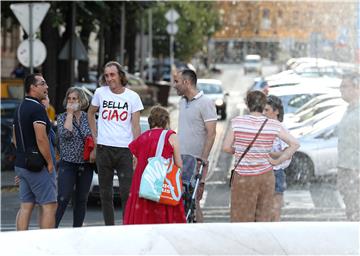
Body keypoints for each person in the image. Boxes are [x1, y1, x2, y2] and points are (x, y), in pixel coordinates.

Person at [223, 90, 299, 222]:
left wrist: (239, 151)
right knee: (263, 218)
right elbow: (294, 144)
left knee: (241, 218)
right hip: (266, 176)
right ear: (263, 105)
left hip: (243, 177)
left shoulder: (237, 122)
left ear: (248, 104)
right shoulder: (273, 124)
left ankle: (244, 242)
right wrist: (277, 161)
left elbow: (226, 147)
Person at [88, 61, 144, 225]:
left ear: (120, 75)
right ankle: (109, 228)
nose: (109, 78)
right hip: (104, 148)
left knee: (127, 192)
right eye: (106, 75)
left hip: (125, 150)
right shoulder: (100, 93)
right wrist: (95, 137)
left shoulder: (132, 97)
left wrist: (136, 152)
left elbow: (135, 125)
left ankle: (127, 226)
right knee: (105, 194)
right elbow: (90, 114)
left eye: (112, 75)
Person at [123, 106, 186, 224]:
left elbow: (136, 164)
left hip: (144, 185)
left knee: (143, 219)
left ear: (150, 121)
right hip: (161, 184)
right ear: (166, 121)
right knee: (162, 219)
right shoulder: (171, 136)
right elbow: (179, 164)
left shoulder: (142, 138)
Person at [12, 73, 57, 230]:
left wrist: (23, 157)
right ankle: (45, 247)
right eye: (43, 84)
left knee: (26, 205)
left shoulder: (19, 107)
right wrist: (50, 162)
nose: (47, 87)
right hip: (38, 166)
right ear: (33, 87)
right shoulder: (37, 109)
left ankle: (21, 246)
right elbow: (41, 138)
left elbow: (14, 139)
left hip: (22, 164)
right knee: (49, 205)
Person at [174, 69, 217, 222]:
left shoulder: (206, 102)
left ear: (187, 82)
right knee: (178, 199)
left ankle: (199, 234)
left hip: (196, 161)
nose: (174, 85)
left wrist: (203, 159)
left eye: (177, 81)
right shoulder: (182, 102)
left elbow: (211, 133)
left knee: (195, 201)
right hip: (180, 160)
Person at [55, 87, 94, 228]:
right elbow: (66, 134)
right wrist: (70, 114)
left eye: (74, 99)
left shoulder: (88, 117)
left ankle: (77, 230)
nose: (71, 101)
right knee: (63, 197)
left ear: (81, 100)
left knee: (81, 199)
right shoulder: (62, 117)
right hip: (68, 164)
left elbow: (95, 136)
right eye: (69, 98)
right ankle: (52, 229)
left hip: (86, 164)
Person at [263, 95, 291, 221]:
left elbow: (287, 151)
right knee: (265, 209)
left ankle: (275, 234)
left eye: (267, 110)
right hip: (264, 171)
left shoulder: (281, 128)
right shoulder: (264, 127)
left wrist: (267, 153)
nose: (264, 113)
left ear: (276, 111)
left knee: (275, 209)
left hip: (276, 172)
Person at [337, 73, 360, 221]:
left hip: (356, 169)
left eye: (345, 86)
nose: (341, 90)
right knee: (350, 208)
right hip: (346, 167)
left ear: (357, 88)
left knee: (356, 210)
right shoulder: (349, 110)